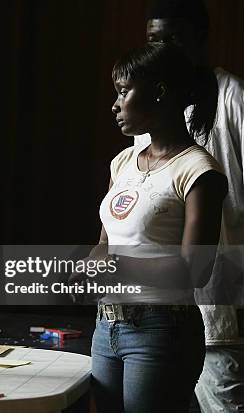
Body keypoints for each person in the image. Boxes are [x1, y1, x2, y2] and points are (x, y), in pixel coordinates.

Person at [73, 43, 227, 412]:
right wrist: (83, 271)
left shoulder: (198, 170)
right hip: (106, 326)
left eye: (124, 92)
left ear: (159, 92)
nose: (115, 104)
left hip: (161, 329)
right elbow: (105, 245)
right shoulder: (123, 161)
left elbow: (196, 269)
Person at [136, 1, 244, 411]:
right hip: (158, 311)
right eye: (153, 40)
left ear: (200, 38)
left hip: (219, 294)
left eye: (172, 38)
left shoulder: (232, 98)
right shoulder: (151, 107)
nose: (162, 49)